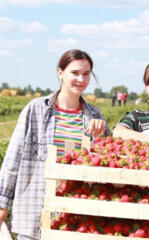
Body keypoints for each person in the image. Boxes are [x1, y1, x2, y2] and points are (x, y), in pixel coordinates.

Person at [0, 49, 111, 240]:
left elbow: (106, 163)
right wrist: (2, 204)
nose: (81, 79)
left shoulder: (94, 115)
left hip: (74, 216)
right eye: (74, 73)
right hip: (34, 212)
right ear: (60, 73)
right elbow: (13, 158)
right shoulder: (36, 109)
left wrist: (104, 133)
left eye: (86, 74)